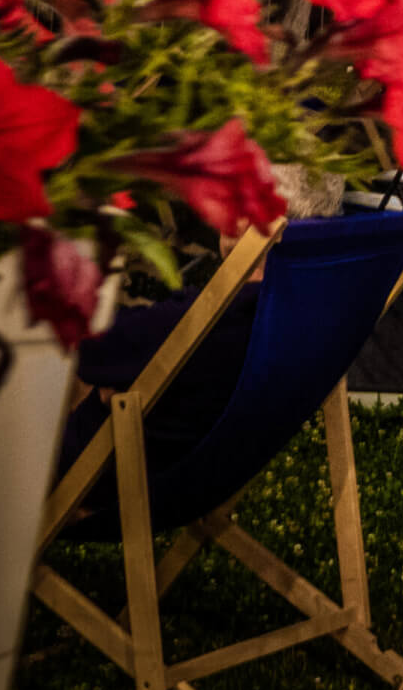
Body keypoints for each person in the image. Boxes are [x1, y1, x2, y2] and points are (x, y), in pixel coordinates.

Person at [54, 165, 345, 511]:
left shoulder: (218, 320)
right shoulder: (306, 311)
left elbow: (90, 349)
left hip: (113, 480)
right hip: (206, 479)